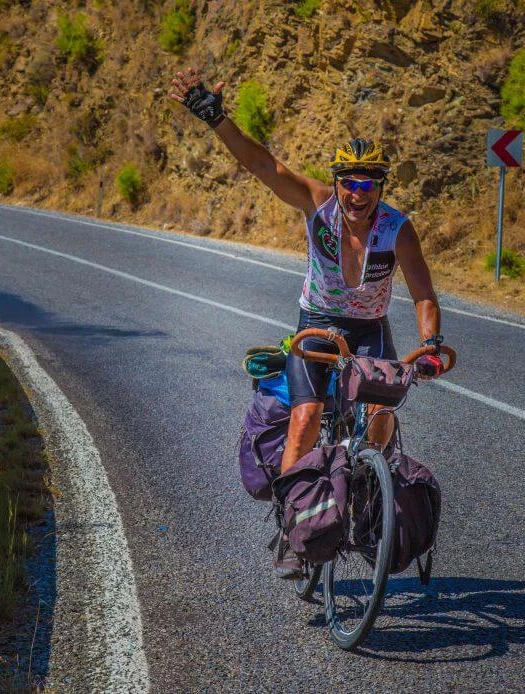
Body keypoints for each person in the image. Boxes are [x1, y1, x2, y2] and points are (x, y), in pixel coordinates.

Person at [170, 67, 446, 576]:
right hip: (316, 324)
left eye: (369, 184)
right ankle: (294, 528)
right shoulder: (319, 207)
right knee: (306, 417)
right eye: (350, 182)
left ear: (381, 186)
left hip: (369, 329)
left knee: (381, 416)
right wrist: (216, 119)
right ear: (337, 183)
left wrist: (430, 343)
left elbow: (423, 294)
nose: (358, 193)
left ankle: (365, 494)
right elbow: (262, 165)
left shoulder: (397, 229)